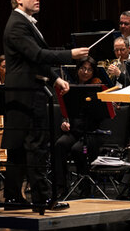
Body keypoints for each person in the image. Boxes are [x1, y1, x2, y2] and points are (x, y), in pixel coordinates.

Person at [2, 0, 89, 210]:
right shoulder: (18, 24)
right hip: (27, 94)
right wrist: (70, 54)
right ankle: (41, 198)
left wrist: (55, 79)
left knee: (22, 147)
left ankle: (13, 198)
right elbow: (38, 54)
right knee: (35, 146)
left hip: (25, 92)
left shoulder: (23, 22)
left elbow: (33, 60)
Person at [54, 57, 106, 197]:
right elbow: (65, 110)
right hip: (75, 131)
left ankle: (85, 187)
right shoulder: (70, 88)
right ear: (77, 70)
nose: (86, 72)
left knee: (78, 149)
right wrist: (64, 122)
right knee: (59, 144)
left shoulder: (96, 89)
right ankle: (61, 187)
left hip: (92, 133)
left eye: (89, 69)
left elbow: (101, 115)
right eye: (83, 68)